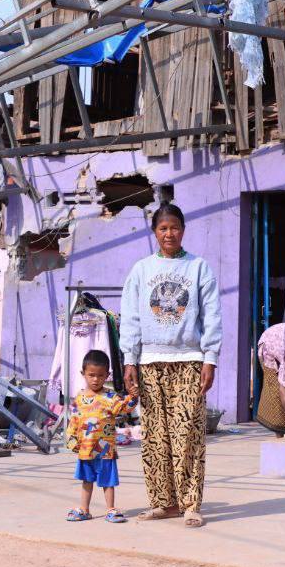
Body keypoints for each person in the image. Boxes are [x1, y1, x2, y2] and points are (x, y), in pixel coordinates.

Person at [120, 203, 221, 529]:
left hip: (189, 361)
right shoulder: (141, 270)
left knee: (188, 434)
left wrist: (210, 358)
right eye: (163, 228)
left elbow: (212, 316)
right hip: (150, 362)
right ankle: (164, 503)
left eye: (174, 227)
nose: (169, 234)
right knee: (155, 437)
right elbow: (131, 318)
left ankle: (190, 505)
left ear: (183, 230)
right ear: (155, 232)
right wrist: (129, 359)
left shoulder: (199, 268)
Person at [65, 349, 137, 523]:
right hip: (86, 450)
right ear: (83, 374)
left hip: (106, 451)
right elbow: (74, 420)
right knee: (86, 480)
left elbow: (124, 408)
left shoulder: (111, 397)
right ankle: (84, 509)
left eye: (100, 375)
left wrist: (133, 397)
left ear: (107, 376)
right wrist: (71, 439)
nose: (95, 379)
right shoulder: (79, 398)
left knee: (108, 481)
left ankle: (111, 509)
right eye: (91, 375)